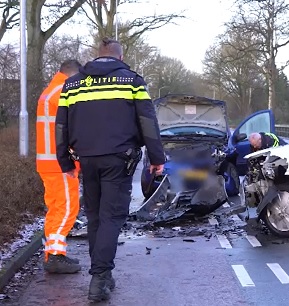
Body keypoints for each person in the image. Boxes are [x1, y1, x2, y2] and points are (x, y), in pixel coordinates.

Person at [55, 37, 165, 302]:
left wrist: (65, 162)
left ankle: (102, 273)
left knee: (95, 217)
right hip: (119, 160)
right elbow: (147, 121)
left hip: (87, 160)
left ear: (98, 55)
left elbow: (61, 125)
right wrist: (156, 157)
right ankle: (100, 277)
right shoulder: (132, 81)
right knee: (111, 218)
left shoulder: (72, 83)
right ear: (120, 57)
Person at [36, 60, 83, 274]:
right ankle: (55, 257)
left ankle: (53, 253)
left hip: (48, 162)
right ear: (73, 75)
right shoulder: (63, 92)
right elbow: (71, 130)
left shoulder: (49, 91)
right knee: (66, 209)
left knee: (55, 209)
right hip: (60, 163)